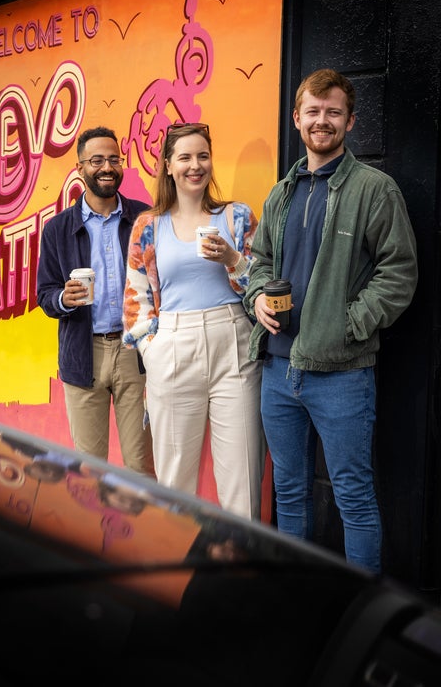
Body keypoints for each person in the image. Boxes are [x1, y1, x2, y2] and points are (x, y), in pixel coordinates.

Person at [243, 69, 418, 573]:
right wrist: (256, 298)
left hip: (342, 372)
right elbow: (260, 264)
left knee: (353, 497)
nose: (323, 121)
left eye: (333, 112)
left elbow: (399, 272)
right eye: (313, 112)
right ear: (297, 119)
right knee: (289, 494)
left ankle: (362, 613)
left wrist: (350, 322)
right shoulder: (281, 193)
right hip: (278, 371)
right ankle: (295, 597)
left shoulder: (373, 189)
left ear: (350, 121)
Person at [123, 122, 267, 520]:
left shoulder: (237, 217)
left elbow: (263, 284)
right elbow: (135, 299)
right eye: (184, 157)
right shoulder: (147, 226)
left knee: (243, 477)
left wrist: (233, 261)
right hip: (172, 345)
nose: (195, 165)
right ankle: (177, 574)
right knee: (174, 483)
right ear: (168, 165)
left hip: (234, 344)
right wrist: (152, 351)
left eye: (202, 155)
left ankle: (238, 574)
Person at [37, 126, 155, 476]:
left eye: (113, 159)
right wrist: (63, 298)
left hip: (135, 351)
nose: (107, 167)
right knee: (89, 471)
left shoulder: (144, 218)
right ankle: (94, 531)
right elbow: (45, 295)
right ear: (80, 169)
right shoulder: (57, 229)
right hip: (82, 352)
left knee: (140, 465)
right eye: (97, 160)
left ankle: (141, 530)